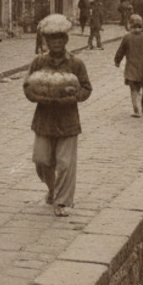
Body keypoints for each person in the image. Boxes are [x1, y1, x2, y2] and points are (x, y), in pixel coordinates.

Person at [23, 14, 92, 217]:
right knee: (41, 160)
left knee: (65, 163)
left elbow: (87, 88)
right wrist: (36, 95)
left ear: (65, 40)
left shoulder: (76, 64)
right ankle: (52, 189)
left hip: (68, 119)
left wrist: (73, 97)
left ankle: (62, 201)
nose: (56, 43)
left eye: (60, 38)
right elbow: (27, 86)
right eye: (52, 39)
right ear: (46, 41)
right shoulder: (38, 63)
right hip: (44, 118)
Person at [114, 14, 143, 117]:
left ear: (131, 24)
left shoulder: (127, 37)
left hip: (132, 69)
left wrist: (117, 60)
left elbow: (121, 51)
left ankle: (136, 109)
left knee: (134, 89)